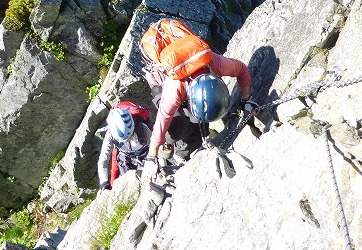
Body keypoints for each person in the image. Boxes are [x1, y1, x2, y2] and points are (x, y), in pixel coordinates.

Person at [141, 26, 258, 183]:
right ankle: (172, 146)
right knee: (176, 128)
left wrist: (246, 100)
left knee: (197, 124)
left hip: (185, 63)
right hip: (162, 78)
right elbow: (162, 120)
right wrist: (152, 156)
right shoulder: (173, 90)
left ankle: (190, 151)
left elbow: (242, 70)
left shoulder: (215, 64)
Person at [97, 106, 151, 194]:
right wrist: (104, 182)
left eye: (130, 136)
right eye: (124, 140)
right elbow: (103, 160)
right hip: (125, 160)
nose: (128, 140)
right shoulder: (110, 134)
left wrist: (160, 166)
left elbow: (156, 148)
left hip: (144, 157)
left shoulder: (144, 130)